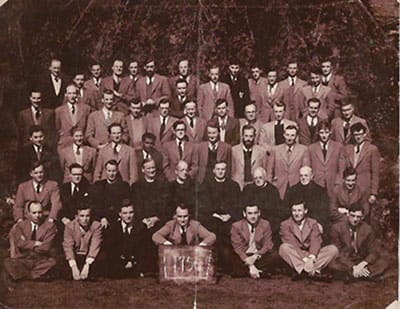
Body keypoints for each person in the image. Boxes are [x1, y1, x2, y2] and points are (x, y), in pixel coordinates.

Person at [279, 200, 338, 281]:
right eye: (294, 211)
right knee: (284, 248)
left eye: (299, 210)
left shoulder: (312, 223)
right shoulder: (285, 224)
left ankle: (304, 272)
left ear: (305, 211)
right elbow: (292, 243)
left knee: (333, 249)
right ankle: (312, 272)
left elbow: (315, 241)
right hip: (297, 254)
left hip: (312, 254)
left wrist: (311, 258)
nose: (296, 213)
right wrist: (306, 260)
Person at [329, 203, 387, 282]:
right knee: (332, 265)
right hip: (345, 260)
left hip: (360, 259)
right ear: (348, 214)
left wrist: (362, 264)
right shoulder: (337, 228)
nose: (355, 219)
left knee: (383, 262)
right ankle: (363, 274)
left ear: (362, 217)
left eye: (358, 217)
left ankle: (354, 274)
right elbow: (338, 252)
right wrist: (353, 266)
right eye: (353, 216)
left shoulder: (367, 229)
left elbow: (373, 251)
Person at [200, 161, 241, 271]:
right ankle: (215, 264)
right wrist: (216, 215)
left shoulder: (233, 185)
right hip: (212, 217)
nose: (220, 172)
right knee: (214, 230)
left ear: (226, 171)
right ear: (214, 170)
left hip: (229, 218)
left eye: (223, 169)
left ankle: (229, 264)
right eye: (218, 169)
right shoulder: (206, 185)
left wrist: (229, 215)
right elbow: (204, 205)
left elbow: (238, 205)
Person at [131, 158, 169, 273]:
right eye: (149, 168)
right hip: (142, 220)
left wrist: (155, 219)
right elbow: (137, 206)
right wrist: (144, 220)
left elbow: (165, 206)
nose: (152, 170)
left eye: (153, 168)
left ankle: (157, 268)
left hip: (158, 220)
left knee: (158, 233)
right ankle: (142, 267)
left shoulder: (162, 185)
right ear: (143, 170)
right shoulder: (137, 186)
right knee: (140, 233)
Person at [4, 201, 57, 281]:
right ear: (28, 213)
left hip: (40, 259)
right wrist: (35, 243)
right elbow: (19, 243)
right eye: (34, 213)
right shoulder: (21, 226)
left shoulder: (49, 227)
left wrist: (27, 244)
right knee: (8, 262)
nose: (37, 215)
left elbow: (45, 247)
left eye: (40, 212)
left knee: (52, 263)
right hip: (24, 258)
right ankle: (35, 275)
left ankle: (25, 275)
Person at [338, 122, 380, 207]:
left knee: (364, 216)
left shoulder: (372, 149)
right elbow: (342, 170)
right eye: (356, 134)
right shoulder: (347, 149)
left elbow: (375, 173)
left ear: (365, 134)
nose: (358, 137)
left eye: (360, 134)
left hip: (365, 190)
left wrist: (373, 193)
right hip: (349, 189)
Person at [229, 204, 276, 278]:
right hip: (244, 255)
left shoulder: (265, 224)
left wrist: (256, 256)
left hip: (258, 255)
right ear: (244, 214)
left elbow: (267, 244)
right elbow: (238, 248)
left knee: (274, 255)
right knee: (231, 256)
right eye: (250, 213)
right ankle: (256, 271)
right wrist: (251, 265)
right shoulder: (236, 226)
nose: (253, 216)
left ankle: (246, 271)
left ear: (259, 213)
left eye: (255, 213)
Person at [104, 199, 145, 278]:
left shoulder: (140, 228)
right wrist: (124, 262)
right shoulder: (113, 229)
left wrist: (132, 262)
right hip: (118, 264)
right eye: (125, 213)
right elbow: (111, 251)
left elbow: (142, 250)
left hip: (134, 263)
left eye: (131, 212)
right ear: (120, 214)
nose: (128, 216)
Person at [267, 125, 310, 199]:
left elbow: (306, 170)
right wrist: (270, 187)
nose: (289, 138)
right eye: (287, 135)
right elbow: (269, 170)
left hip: (297, 186)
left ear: (296, 136)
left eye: (292, 135)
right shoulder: (275, 150)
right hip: (279, 186)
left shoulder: (303, 150)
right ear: (284, 135)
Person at [284, 166, 330, 234]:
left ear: (311, 176)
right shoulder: (292, 190)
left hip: (314, 224)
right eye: (301, 175)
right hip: (295, 223)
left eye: (306, 175)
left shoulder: (320, 191)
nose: (303, 178)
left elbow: (324, 212)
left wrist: (319, 224)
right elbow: (286, 209)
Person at [63, 203, 103, 280]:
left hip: (89, 256)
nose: (85, 219)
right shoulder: (70, 226)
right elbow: (68, 246)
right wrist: (73, 266)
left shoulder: (96, 226)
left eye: (87, 216)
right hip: (75, 256)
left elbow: (95, 245)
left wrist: (87, 264)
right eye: (82, 216)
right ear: (77, 217)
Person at [242, 167, 282, 243]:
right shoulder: (248, 189)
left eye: (260, 177)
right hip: (251, 220)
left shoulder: (272, 190)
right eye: (255, 178)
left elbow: (277, 211)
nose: (258, 180)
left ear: (265, 177)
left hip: (268, 221)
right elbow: (243, 206)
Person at [90, 159, 131, 229]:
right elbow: (95, 204)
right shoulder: (99, 185)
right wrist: (102, 217)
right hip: (103, 219)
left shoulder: (124, 186)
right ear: (105, 171)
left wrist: (121, 216)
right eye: (109, 171)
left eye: (114, 171)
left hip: (119, 218)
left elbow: (126, 203)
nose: (111, 174)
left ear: (117, 171)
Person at [308, 119, 342, 198]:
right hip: (317, 183)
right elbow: (308, 167)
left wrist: (338, 182)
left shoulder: (338, 147)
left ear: (330, 132)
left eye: (326, 132)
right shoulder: (311, 148)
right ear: (318, 133)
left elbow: (341, 168)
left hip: (333, 183)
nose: (324, 135)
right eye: (321, 132)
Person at [55, 84, 91, 150]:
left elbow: (88, 127)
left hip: (81, 143)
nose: (72, 96)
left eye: (74, 93)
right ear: (66, 95)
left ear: (77, 95)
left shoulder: (86, 109)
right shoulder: (59, 111)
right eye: (69, 93)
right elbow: (58, 128)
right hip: (65, 144)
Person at [231, 124, 268, 190]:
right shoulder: (234, 150)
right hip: (238, 186)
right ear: (242, 136)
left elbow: (265, 170)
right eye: (246, 136)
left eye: (251, 136)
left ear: (254, 137)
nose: (248, 139)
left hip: (255, 186)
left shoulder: (262, 151)